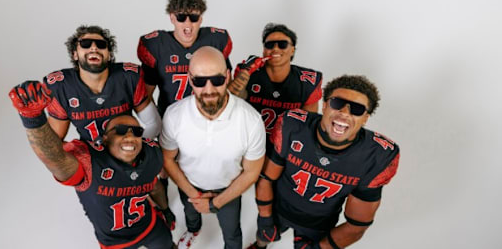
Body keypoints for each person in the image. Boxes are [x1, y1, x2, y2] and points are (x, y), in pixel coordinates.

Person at [9, 81, 176, 249]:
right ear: (104, 138)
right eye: (120, 130)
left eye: (137, 131)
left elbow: (153, 186)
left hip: (150, 226)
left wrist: (165, 209)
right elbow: (56, 159)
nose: (130, 137)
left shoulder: (151, 153)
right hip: (115, 242)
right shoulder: (90, 160)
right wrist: (34, 119)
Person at [247, 75, 400, 249]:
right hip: (278, 209)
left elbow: (357, 225)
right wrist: (265, 217)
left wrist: (321, 248)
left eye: (357, 109)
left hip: (318, 225)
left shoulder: (376, 155)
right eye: (337, 103)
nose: (344, 112)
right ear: (325, 105)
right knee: (263, 236)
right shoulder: (293, 126)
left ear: (366, 117)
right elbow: (266, 178)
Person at [159, 47, 266, 249]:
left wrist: (214, 203)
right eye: (200, 81)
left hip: (228, 190)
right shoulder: (174, 115)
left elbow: (252, 172)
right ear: (190, 80)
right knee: (190, 216)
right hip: (189, 185)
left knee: (232, 233)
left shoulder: (251, 120)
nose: (209, 89)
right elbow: (167, 159)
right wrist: (194, 195)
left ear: (227, 76)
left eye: (216, 80)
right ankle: (193, 230)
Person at [44, 25, 161, 143]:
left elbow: (153, 124)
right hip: (92, 156)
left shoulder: (128, 77)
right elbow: (54, 144)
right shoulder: (61, 86)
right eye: (86, 44)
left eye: (101, 44)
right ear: (75, 54)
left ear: (109, 54)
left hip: (125, 153)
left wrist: (133, 147)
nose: (94, 48)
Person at [137, 0, 233, 116]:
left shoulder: (216, 41)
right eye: (181, 17)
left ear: (200, 19)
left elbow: (227, 89)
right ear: (172, 18)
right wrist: (156, 123)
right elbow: (146, 95)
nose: (188, 23)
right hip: (171, 119)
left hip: (209, 118)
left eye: (193, 17)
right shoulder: (156, 46)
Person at [228, 23, 323, 133]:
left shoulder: (307, 82)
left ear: (292, 50)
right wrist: (238, 87)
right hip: (249, 137)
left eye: (282, 44)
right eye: (270, 45)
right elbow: (237, 103)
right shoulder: (248, 71)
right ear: (264, 50)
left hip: (286, 144)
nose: (275, 49)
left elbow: (307, 126)